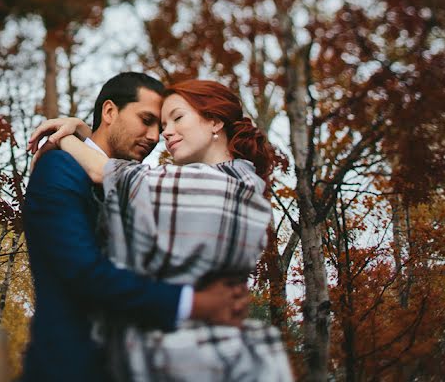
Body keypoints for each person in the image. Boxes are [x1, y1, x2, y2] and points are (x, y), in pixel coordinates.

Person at [29, 79, 294, 382]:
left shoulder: (211, 185)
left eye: (175, 119)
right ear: (110, 111)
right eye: (150, 120)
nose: (160, 135)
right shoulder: (233, 180)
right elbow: (83, 270)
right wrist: (84, 133)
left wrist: (66, 135)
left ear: (215, 122)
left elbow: (105, 172)